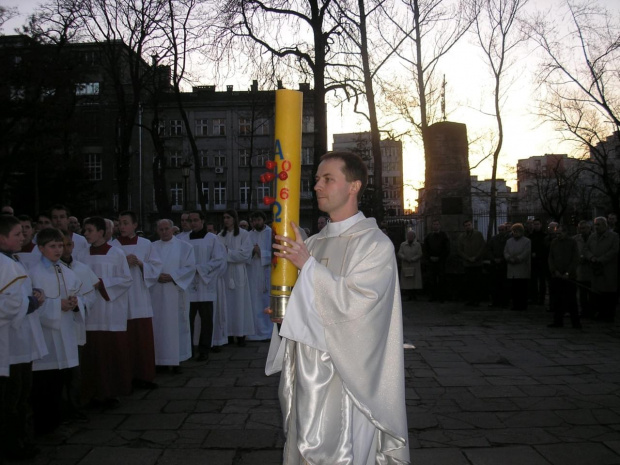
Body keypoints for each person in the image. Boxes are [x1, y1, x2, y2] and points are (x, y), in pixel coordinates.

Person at [266, 151, 409, 464]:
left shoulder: (374, 244)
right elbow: (306, 309)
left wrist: (309, 266)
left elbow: (362, 312)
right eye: (317, 179)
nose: (317, 185)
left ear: (354, 186)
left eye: (327, 179)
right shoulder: (314, 243)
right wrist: (284, 319)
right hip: (309, 378)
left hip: (349, 382)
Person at [0, 215, 46, 460]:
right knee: (12, 400)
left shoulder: (11, 259)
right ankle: (14, 447)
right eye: (17, 234)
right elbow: (4, 304)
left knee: (20, 398)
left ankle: (23, 442)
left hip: (20, 341)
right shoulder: (2, 263)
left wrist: (33, 294)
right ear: (2, 237)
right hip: (9, 345)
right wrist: (29, 303)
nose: (23, 237)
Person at [29, 228, 82, 434]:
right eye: (52, 246)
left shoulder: (67, 271)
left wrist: (76, 303)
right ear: (41, 248)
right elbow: (34, 305)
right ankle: (43, 425)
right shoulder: (33, 273)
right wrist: (56, 306)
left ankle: (58, 420)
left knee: (61, 380)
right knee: (44, 384)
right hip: (46, 335)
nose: (58, 250)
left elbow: (79, 295)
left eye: (60, 245)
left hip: (65, 332)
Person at [80, 216, 133, 408]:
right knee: (93, 354)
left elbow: (126, 280)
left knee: (110, 353)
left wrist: (101, 283)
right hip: (90, 312)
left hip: (110, 311)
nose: (85, 234)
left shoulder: (116, 253)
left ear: (101, 232)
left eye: (89, 230)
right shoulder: (81, 255)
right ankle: (92, 392)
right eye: (84, 230)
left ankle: (111, 392)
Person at [111, 211, 162, 390]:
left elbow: (156, 267)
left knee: (143, 339)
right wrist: (123, 262)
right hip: (122, 299)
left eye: (125, 223)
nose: (122, 226)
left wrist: (141, 264)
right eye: (119, 223)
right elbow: (108, 271)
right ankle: (126, 377)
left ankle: (145, 376)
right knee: (125, 341)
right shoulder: (112, 246)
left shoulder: (146, 244)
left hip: (140, 297)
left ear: (135, 225)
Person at [180, 210, 226, 361]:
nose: (192, 223)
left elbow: (218, 259)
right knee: (188, 319)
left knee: (206, 319)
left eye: (195, 220)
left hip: (206, 285)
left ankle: (204, 349)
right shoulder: (183, 239)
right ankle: (188, 349)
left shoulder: (212, 239)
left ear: (202, 221)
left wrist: (200, 269)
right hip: (188, 285)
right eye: (190, 220)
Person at [151, 219, 196, 371]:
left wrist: (173, 276)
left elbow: (190, 268)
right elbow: (148, 267)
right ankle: (160, 360)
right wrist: (156, 276)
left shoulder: (185, 247)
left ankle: (177, 359)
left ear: (172, 229)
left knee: (177, 326)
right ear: (157, 231)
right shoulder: (152, 247)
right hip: (157, 293)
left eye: (166, 229)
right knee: (158, 326)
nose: (164, 232)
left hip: (175, 292)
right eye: (161, 229)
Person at [218, 210, 255, 346]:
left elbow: (245, 254)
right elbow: (218, 255)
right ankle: (227, 335)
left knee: (240, 303)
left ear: (234, 218)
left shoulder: (244, 235)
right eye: (224, 217)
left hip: (238, 272)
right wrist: (231, 255)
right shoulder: (219, 236)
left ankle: (240, 334)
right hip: (225, 272)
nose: (226, 220)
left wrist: (228, 253)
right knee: (226, 304)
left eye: (228, 217)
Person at [585, 217, 618, 322]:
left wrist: (601, 259)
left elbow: (614, 250)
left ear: (605, 225)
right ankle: (597, 312)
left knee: (609, 292)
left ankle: (608, 314)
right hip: (595, 269)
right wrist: (591, 257)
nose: (596, 227)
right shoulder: (592, 236)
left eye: (599, 225)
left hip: (608, 269)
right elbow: (586, 249)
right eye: (595, 225)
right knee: (596, 291)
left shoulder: (614, 236)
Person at [246, 211, 273, 341]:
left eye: (258, 220)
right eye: (254, 220)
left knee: (266, 301)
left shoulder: (271, 233)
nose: (256, 223)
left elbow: (275, 252)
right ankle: (254, 332)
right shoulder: (249, 235)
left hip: (266, 271)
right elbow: (244, 252)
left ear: (263, 220)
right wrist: (251, 252)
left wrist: (261, 252)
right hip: (252, 271)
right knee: (253, 302)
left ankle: (268, 332)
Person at [547, 224, 581, 328]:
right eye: (557, 233)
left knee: (571, 300)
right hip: (557, 276)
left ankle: (575, 323)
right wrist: (554, 270)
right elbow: (550, 258)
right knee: (557, 300)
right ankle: (558, 321)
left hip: (569, 277)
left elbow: (575, 259)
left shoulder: (572, 242)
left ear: (565, 232)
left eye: (560, 233)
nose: (558, 235)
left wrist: (568, 272)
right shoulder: (554, 242)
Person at [457, 219, 486, 306]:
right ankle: (470, 299)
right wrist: (467, 258)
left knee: (477, 282)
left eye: (469, 225)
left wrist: (476, 257)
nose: (467, 227)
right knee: (469, 283)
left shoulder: (478, 234)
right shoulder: (461, 237)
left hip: (477, 263)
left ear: (472, 225)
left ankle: (477, 300)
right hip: (467, 263)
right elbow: (459, 249)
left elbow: (482, 247)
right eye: (466, 225)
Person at [504, 223, 531, 311]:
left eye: (517, 231)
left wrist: (518, 259)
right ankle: (515, 304)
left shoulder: (527, 241)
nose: (515, 233)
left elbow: (526, 253)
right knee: (514, 288)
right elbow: (506, 252)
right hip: (512, 268)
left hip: (522, 267)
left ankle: (523, 305)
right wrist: (509, 258)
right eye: (513, 231)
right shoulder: (509, 241)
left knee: (522, 288)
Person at [423, 219, 450, 302]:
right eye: (434, 224)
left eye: (437, 224)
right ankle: (433, 296)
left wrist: (440, 257)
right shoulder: (428, 236)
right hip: (431, 261)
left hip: (441, 261)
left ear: (440, 225)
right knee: (432, 279)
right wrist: (429, 257)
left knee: (441, 279)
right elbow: (425, 249)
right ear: (432, 226)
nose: (435, 226)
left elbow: (447, 249)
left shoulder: (444, 236)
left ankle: (442, 297)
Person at [574, 221, 592, 318]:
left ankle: (592, 310)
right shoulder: (576, 239)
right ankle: (584, 310)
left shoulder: (594, 238)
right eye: (581, 228)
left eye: (585, 228)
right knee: (582, 292)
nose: (583, 230)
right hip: (580, 269)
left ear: (589, 228)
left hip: (592, 268)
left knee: (592, 291)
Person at [397, 230, 422, 301]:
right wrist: (405, 258)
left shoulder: (417, 245)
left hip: (414, 265)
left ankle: (414, 295)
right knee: (407, 280)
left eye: (411, 236)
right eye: (409, 236)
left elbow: (419, 254)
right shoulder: (403, 244)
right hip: (406, 264)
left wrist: (413, 259)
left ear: (414, 236)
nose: (410, 237)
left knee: (414, 280)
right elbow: (400, 253)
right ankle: (408, 295)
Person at [488, 223, 509, 307]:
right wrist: (493, 259)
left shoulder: (509, 239)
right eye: (499, 230)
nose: (501, 232)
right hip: (495, 265)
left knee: (504, 284)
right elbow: (489, 250)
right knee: (495, 284)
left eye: (502, 230)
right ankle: (495, 301)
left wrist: (502, 259)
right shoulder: (493, 239)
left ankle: (504, 302)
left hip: (504, 264)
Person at [529, 218, 548, 305]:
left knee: (542, 282)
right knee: (533, 281)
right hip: (533, 261)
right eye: (534, 224)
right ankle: (534, 298)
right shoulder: (530, 236)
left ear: (541, 225)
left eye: (537, 224)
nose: (536, 225)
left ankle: (541, 298)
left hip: (542, 261)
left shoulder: (544, 236)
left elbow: (545, 248)